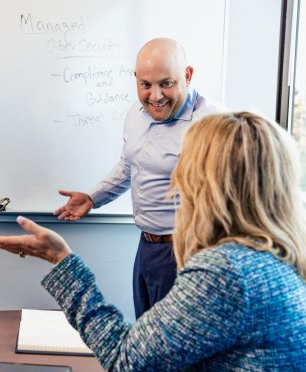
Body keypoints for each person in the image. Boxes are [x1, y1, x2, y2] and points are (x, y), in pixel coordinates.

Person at [0, 112, 306, 372]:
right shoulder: (278, 256)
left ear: (207, 182)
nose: (176, 179)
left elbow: (123, 356)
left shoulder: (226, 271)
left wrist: (61, 260)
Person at [54, 38, 223, 318]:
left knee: (173, 351)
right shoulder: (137, 113)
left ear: (188, 75)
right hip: (146, 247)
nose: (155, 96)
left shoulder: (212, 123)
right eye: (145, 85)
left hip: (187, 252)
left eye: (166, 83)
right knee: (145, 338)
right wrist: (93, 197)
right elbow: (129, 165)